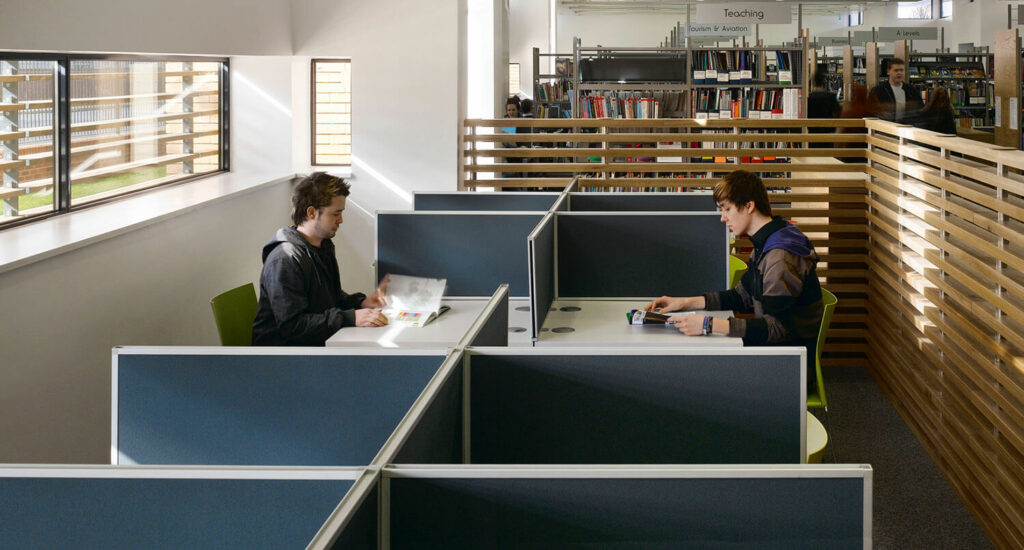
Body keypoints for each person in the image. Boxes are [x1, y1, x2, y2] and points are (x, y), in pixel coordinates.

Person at [643, 170, 824, 386]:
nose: (722, 217)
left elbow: (778, 328)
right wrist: (684, 302)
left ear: (749, 205)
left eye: (727, 209)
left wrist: (709, 325)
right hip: (774, 351)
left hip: (789, 364)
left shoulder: (779, 256)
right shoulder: (769, 240)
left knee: (696, 375)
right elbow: (741, 295)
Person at [252, 172, 388, 346]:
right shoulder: (285, 260)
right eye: (335, 214)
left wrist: (361, 303)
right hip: (284, 357)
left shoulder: (323, 247)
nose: (341, 220)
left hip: (313, 347)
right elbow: (292, 326)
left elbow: (330, 298)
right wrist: (349, 317)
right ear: (311, 212)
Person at [868, 57, 922, 123]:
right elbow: (871, 113)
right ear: (888, 71)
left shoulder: (911, 90)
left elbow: (919, 110)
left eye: (902, 70)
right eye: (896, 70)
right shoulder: (878, 91)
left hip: (907, 128)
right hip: (886, 128)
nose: (899, 73)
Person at [807, 69, 841, 149]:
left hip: (813, 132)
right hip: (828, 132)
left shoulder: (809, 97)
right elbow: (838, 113)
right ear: (824, 82)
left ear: (813, 82)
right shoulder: (831, 97)